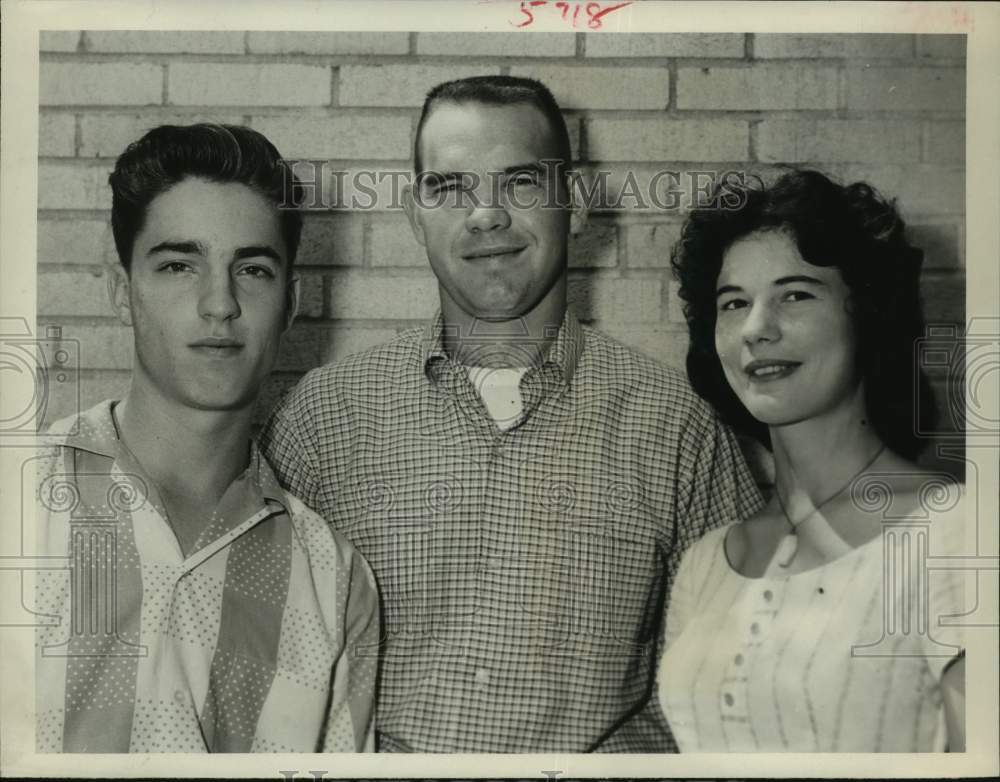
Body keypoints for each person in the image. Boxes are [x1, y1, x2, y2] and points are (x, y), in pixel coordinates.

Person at [260, 75, 762, 753]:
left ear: (576, 205)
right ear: (415, 215)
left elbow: (736, 693)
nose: (486, 216)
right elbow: (264, 679)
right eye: (450, 187)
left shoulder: (677, 426)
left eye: (520, 183)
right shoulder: (324, 418)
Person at [34, 124, 379, 753]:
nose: (219, 303)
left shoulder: (333, 578)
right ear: (121, 292)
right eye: (177, 265)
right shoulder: (16, 504)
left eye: (252, 268)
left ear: (291, 301)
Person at [660, 168, 967, 752]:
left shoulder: (956, 534)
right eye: (734, 303)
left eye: (795, 294)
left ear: (867, 314)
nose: (756, 329)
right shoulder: (706, 564)